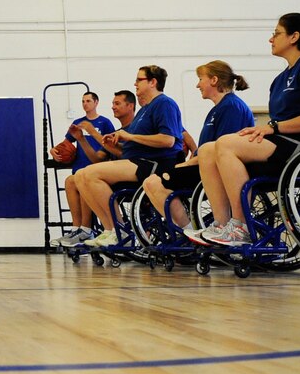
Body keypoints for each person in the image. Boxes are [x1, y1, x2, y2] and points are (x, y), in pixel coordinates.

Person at [192, 13, 300, 247]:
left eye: (276, 33)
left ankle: (241, 226)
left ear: (294, 37)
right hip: (284, 141)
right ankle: (223, 224)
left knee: (225, 144)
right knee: (208, 149)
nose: (271, 39)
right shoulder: (280, 79)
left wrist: (273, 127)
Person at [72, 66, 184, 248]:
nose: (135, 83)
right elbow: (128, 149)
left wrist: (129, 136)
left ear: (152, 82)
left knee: (91, 173)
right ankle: (110, 229)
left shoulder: (165, 103)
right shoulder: (144, 110)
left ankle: (120, 230)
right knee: (80, 176)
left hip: (156, 164)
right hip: (136, 161)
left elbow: (168, 140)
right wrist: (113, 144)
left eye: (139, 80)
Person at [142, 61, 254, 231]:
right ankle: (188, 231)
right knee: (151, 183)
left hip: (216, 171)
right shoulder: (218, 108)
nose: (197, 85)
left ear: (214, 80)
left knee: (154, 182)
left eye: (200, 79)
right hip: (203, 166)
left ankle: (189, 232)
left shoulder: (232, 107)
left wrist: (185, 164)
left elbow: (221, 152)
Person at [53, 91, 134, 247]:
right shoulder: (81, 123)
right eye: (83, 101)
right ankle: (79, 229)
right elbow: (97, 155)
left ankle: (95, 228)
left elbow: (111, 155)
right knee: (72, 180)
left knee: (87, 176)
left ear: (96, 102)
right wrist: (79, 140)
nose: (85, 104)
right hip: (91, 166)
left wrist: (92, 132)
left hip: (122, 171)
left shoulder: (107, 124)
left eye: (88, 100)